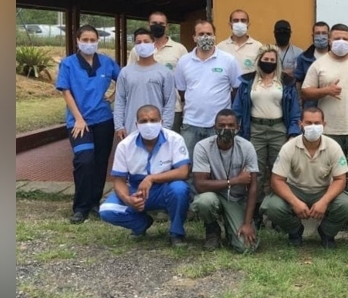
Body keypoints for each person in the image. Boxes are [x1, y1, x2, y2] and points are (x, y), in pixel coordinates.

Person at [260, 107, 348, 249]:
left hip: (323, 190)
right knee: (272, 206)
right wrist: (295, 203)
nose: (313, 127)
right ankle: (295, 231)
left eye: (317, 123)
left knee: (347, 205)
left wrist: (324, 202)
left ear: (324, 125)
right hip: (296, 189)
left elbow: (340, 180)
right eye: (308, 123)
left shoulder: (333, 147)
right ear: (301, 124)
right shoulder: (289, 147)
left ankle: (327, 232)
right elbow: (276, 180)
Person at [300, 23, 348, 196]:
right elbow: (305, 92)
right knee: (329, 177)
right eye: (337, 39)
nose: (341, 42)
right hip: (329, 132)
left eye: (345, 39)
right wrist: (325, 91)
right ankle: (335, 219)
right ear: (330, 40)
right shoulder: (319, 64)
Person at [98, 105, 191, 247]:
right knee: (106, 210)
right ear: (137, 124)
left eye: (153, 120)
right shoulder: (125, 145)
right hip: (136, 190)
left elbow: (183, 171)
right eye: (144, 121)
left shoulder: (174, 139)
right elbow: (119, 181)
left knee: (180, 189)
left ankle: (176, 233)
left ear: (161, 121)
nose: (149, 125)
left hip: (163, 189)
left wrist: (151, 178)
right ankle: (141, 223)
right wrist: (128, 199)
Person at [55, 24, 121, 224]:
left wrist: (112, 97)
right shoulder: (68, 64)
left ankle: (94, 203)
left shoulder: (107, 63)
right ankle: (80, 207)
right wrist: (79, 118)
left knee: (100, 163)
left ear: (98, 41)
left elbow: (124, 80)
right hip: (78, 122)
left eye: (93, 40)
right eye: (85, 40)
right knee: (84, 160)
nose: (89, 43)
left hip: (103, 120)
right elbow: (65, 90)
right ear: (77, 40)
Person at [232, 44, 301, 200]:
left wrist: (293, 133)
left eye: (272, 59)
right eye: (266, 59)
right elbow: (237, 108)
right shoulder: (247, 81)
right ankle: (255, 210)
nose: (269, 62)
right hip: (255, 130)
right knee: (256, 171)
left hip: (279, 129)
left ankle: (278, 211)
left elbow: (295, 111)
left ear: (277, 62)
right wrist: (236, 129)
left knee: (281, 170)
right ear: (259, 60)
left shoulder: (286, 82)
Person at [190, 109, 261, 253]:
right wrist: (234, 181)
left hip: (236, 199)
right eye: (221, 125)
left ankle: (231, 230)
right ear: (214, 127)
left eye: (230, 125)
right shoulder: (202, 147)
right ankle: (212, 230)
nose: (226, 129)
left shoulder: (247, 147)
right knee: (203, 201)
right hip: (214, 195)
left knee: (246, 248)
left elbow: (253, 187)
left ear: (238, 128)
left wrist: (247, 223)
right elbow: (200, 185)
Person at [174, 19, 242, 162]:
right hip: (191, 124)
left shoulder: (228, 60)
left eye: (209, 34)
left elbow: (236, 89)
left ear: (215, 36)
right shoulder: (184, 61)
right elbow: (182, 91)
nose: (205, 37)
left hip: (218, 125)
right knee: (188, 165)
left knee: (219, 165)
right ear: (194, 37)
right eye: (201, 34)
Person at [128, 11, 189, 131]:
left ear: (167, 26)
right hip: (143, 107)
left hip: (172, 109)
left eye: (161, 23)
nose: (158, 26)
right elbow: (129, 76)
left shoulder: (179, 49)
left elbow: (186, 78)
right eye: (154, 23)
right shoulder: (137, 50)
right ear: (148, 25)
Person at [114, 28, 176, 141]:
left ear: (154, 44)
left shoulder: (165, 73)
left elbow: (169, 102)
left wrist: (165, 128)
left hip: (157, 128)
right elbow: (120, 101)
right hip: (131, 129)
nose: (142, 45)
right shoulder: (125, 72)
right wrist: (119, 126)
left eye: (146, 41)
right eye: (138, 42)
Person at [293, 21, 331, 109]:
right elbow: (298, 83)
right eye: (317, 33)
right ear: (312, 36)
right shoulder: (303, 58)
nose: (321, 36)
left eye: (324, 33)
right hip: (310, 107)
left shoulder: (336, 56)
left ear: (329, 36)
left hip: (331, 104)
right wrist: (299, 104)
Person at [217, 9, 262, 75]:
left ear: (248, 24)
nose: (239, 23)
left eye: (243, 20)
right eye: (236, 20)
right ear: (230, 24)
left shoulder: (258, 47)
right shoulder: (220, 47)